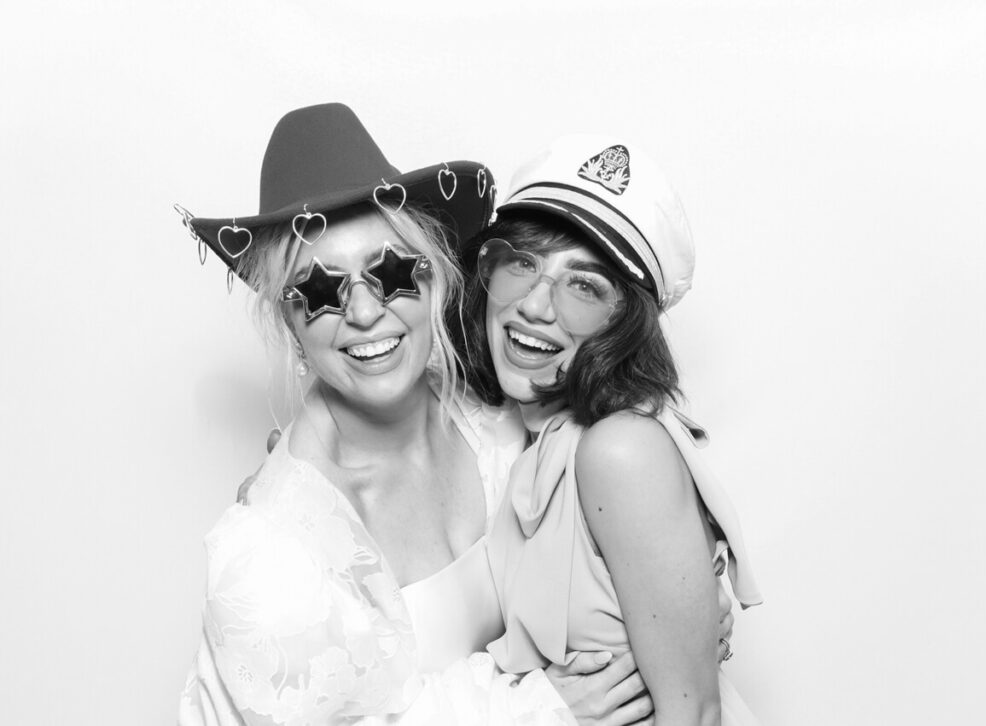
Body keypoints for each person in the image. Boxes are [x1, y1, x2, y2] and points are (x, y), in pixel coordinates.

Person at [175, 104, 661, 725]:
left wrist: (675, 602)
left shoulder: (501, 420)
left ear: (438, 280)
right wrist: (536, 709)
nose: (362, 312)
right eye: (319, 291)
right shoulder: (274, 560)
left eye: (391, 270)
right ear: (290, 325)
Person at [455, 136, 764, 725]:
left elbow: (694, 711)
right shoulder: (534, 441)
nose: (536, 307)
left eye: (584, 285)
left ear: (625, 324)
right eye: (524, 263)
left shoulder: (618, 450)